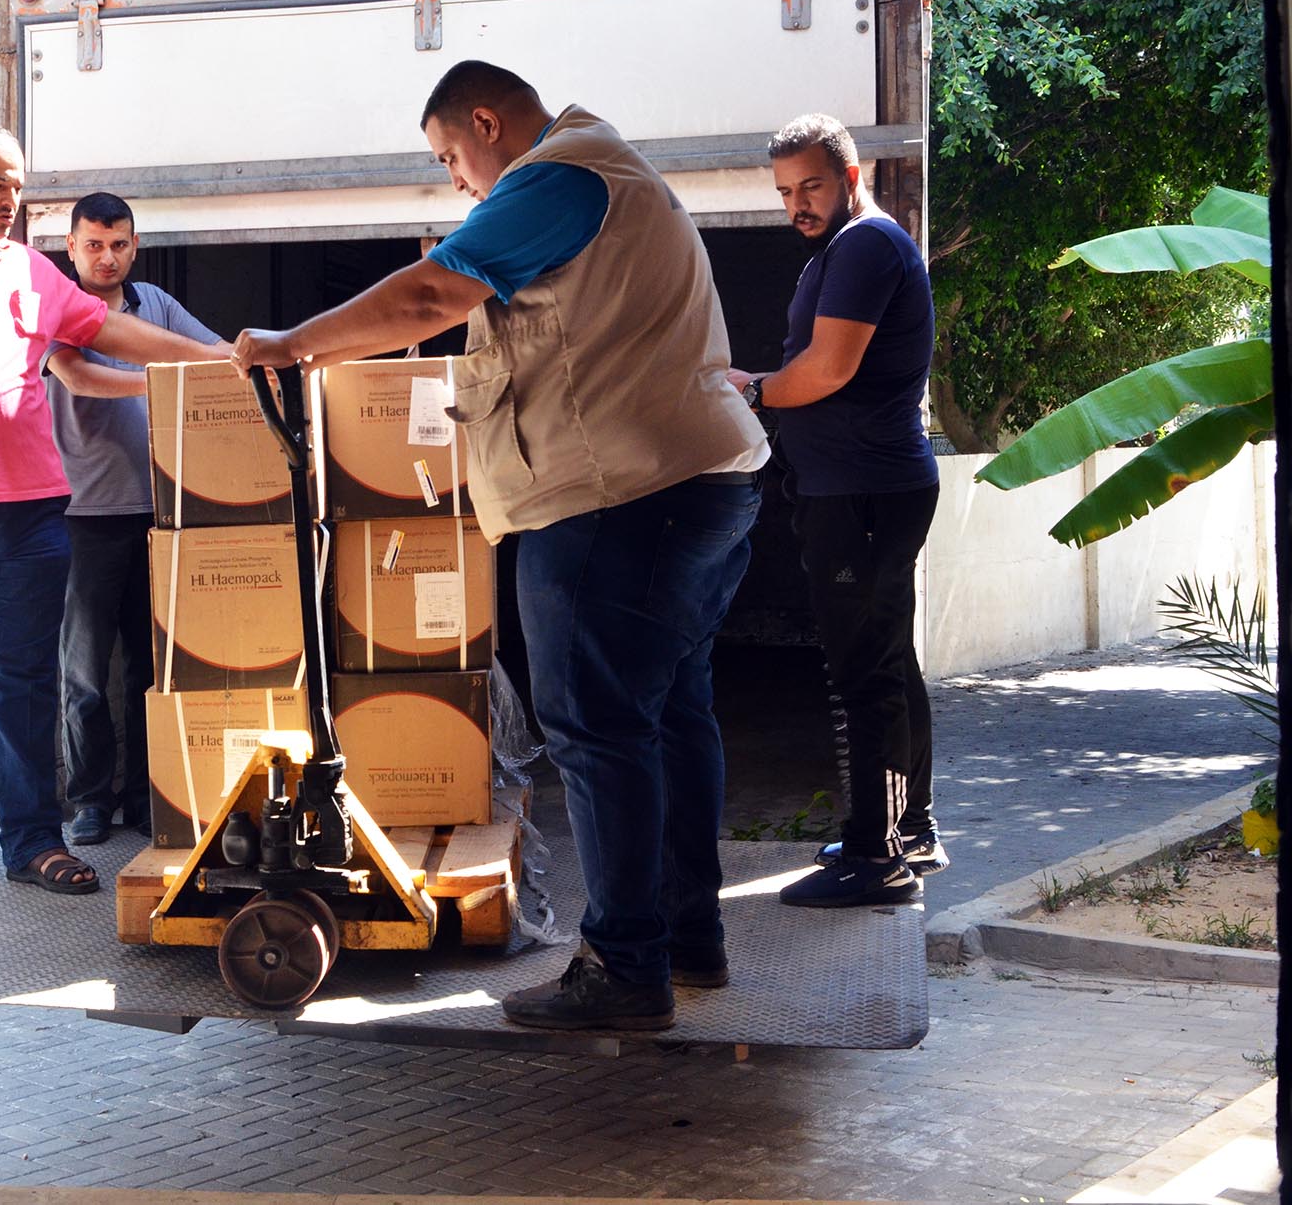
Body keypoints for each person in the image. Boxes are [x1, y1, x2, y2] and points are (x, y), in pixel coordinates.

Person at [232, 61, 767, 1031]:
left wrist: (292, 343)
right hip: (697, 483)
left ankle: (622, 967)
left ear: (485, 121)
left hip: (618, 495)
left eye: (449, 155)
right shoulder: (613, 175)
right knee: (667, 719)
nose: (455, 180)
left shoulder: (557, 176)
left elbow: (424, 296)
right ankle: (686, 938)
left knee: (599, 729)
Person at [0, 124, 229, 895]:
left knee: (25, 681)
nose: (7, 200)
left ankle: (31, 838)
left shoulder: (33, 272)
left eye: (17, 185)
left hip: (30, 512)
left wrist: (216, 357)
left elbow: (108, 330)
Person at [727, 113, 946, 910]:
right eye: (786, 191)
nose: (798, 204)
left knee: (867, 673)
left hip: (862, 493)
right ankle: (909, 828)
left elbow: (824, 369)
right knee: (889, 659)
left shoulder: (864, 246)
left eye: (812, 185)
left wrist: (749, 385)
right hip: (866, 488)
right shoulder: (853, 247)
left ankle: (877, 857)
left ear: (851, 177)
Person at [45, 192, 223, 845]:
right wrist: (164, 375)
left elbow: (214, 352)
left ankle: (151, 797)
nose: (107, 255)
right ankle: (90, 799)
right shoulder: (55, 308)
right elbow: (81, 376)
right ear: (71, 248)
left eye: (118, 243)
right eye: (93, 244)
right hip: (82, 515)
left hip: (158, 509)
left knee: (153, 669)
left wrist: (265, 358)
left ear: (134, 244)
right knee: (86, 672)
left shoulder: (157, 306)